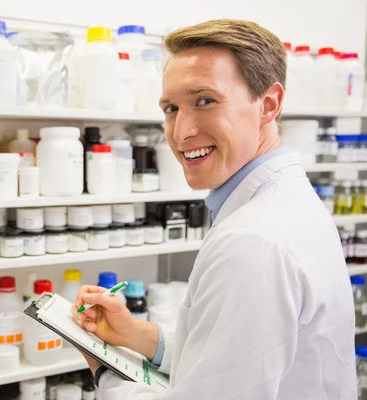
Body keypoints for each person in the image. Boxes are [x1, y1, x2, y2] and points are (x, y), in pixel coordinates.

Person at [73, 19, 356, 399]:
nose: (180, 132)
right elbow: (233, 361)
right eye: (171, 108)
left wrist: (105, 373)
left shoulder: (254, 242)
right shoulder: (285, 202)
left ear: (268, 105)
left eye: (205, 101)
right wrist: (136, 336)